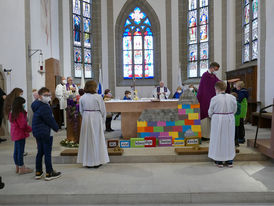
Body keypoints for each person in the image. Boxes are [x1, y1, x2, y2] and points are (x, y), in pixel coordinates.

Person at [197, 62, 237, 140]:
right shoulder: (205, 75)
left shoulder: (213, 76)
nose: (216, 71)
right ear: (212, 68)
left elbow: (219, 83)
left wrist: (227, 82)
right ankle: (204, 135)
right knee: (205, 118)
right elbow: (205, 88)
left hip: (212, 97)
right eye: (215, 69)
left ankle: (209, 135)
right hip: (205, 98)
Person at [77, 80, 109, 168]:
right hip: (96, 117)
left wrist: (86, 116)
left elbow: (80, 111)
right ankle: (97, 161)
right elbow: (103, 110)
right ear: (94, 87)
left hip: (86, 117)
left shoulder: (82, 97)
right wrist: (103, 121)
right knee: (97, 138)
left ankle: (87, 161)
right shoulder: (98, 97)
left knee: (87, 139)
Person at [31, 87, 61, 181]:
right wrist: (56, 128)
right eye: (45, 95)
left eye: (49, 95)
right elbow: (49, 120)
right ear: (40, 96)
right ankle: (49, 173)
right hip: (45, 132)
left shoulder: (36, 104)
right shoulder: (44, 107)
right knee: (47, 153)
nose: (48, 97)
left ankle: (38, 172)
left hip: (38, 131)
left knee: (40, 152)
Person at [208, 81, 237, 168]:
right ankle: (229, 161)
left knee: (218, 138)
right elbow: (235, 109)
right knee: (229, 138)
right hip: (229, 118)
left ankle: (219, 161)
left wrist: (211, 115)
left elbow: (210, 111)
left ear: (216, 89)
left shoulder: (214, 98)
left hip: (218, 119)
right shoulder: (232, 97)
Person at [9, 97, 32, 174]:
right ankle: (22, 168)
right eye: (23, 103)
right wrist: (30, 129)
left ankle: (17, 167)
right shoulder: (20, 113)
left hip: (15, 133)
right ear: (20, 104)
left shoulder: (12, 112)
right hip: (20, 134)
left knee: (16, 151)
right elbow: (23, 125)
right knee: (20, 151)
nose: (24, 105)